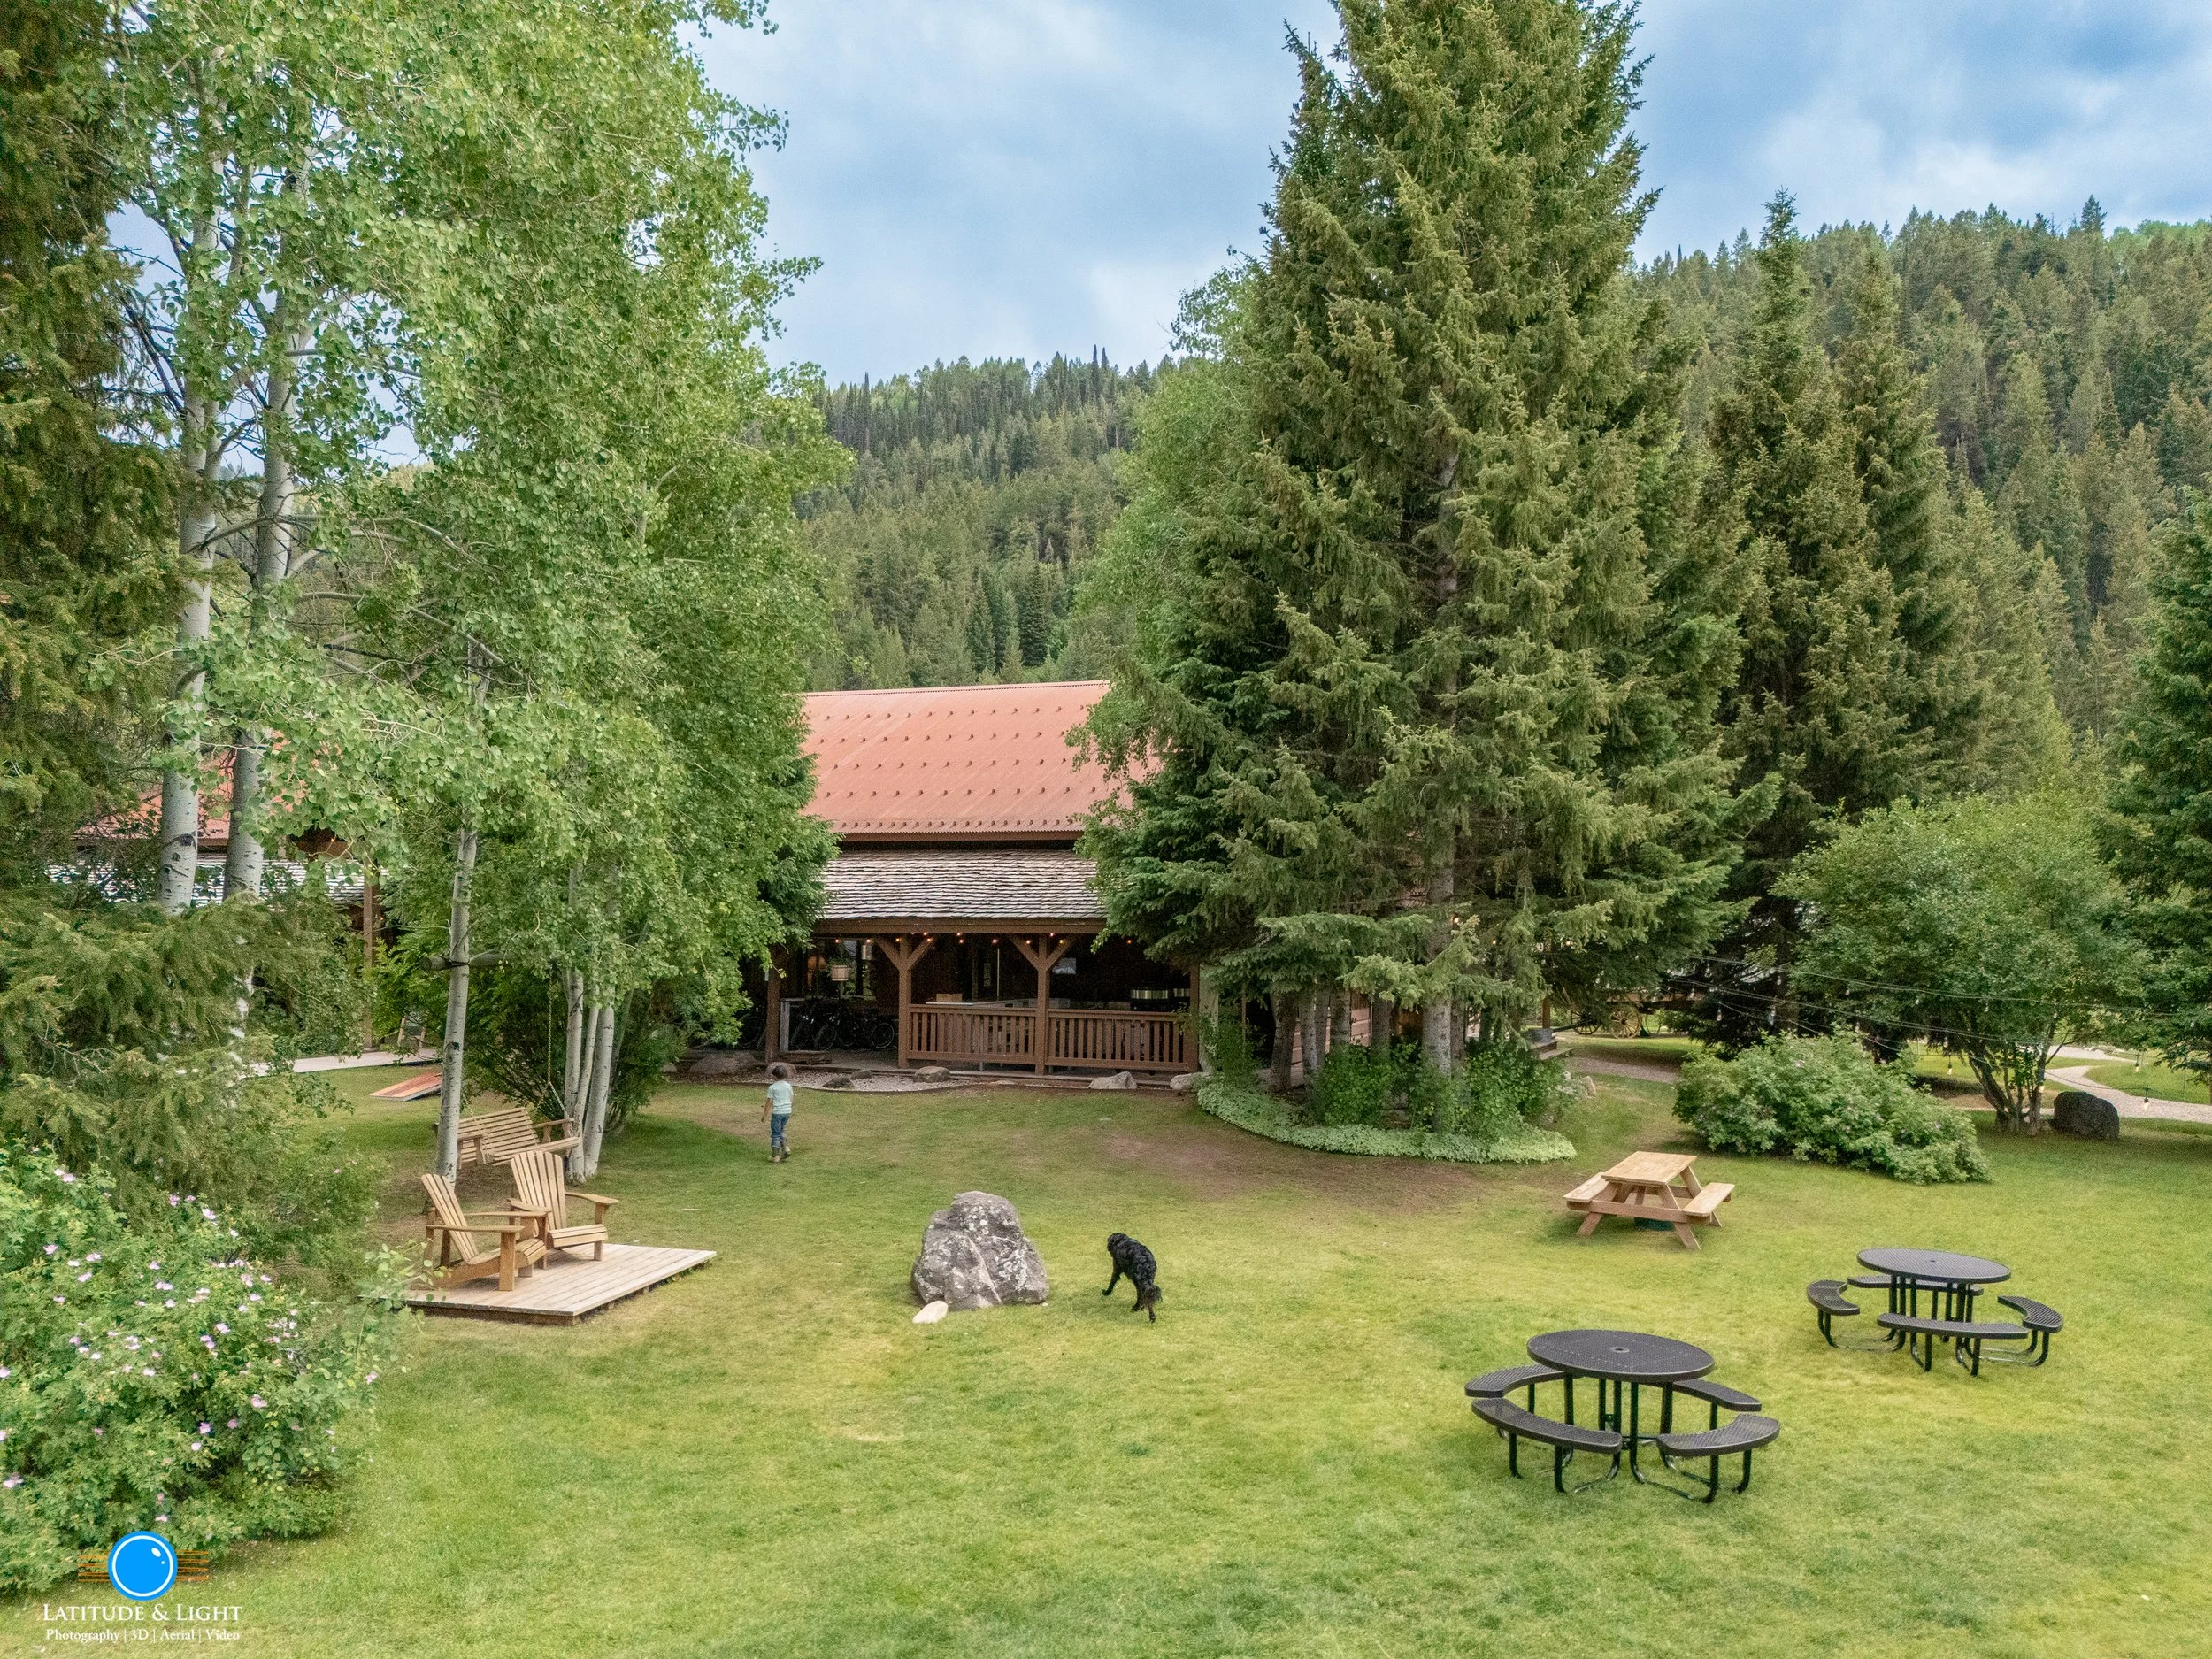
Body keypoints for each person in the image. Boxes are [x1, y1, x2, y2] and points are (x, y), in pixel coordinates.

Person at [761, 1062, 795, 1162]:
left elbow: (769, 1103)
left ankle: (775, 1156)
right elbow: (791, 1099)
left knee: (775, 1133)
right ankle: (786, 1148)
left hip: (777, 1113)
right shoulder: (789, 1086)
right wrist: (788, 1108)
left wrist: (764, 1116)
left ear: (774, 1076)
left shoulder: (773, 1087)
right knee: (782, 1129)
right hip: (787, 1111)